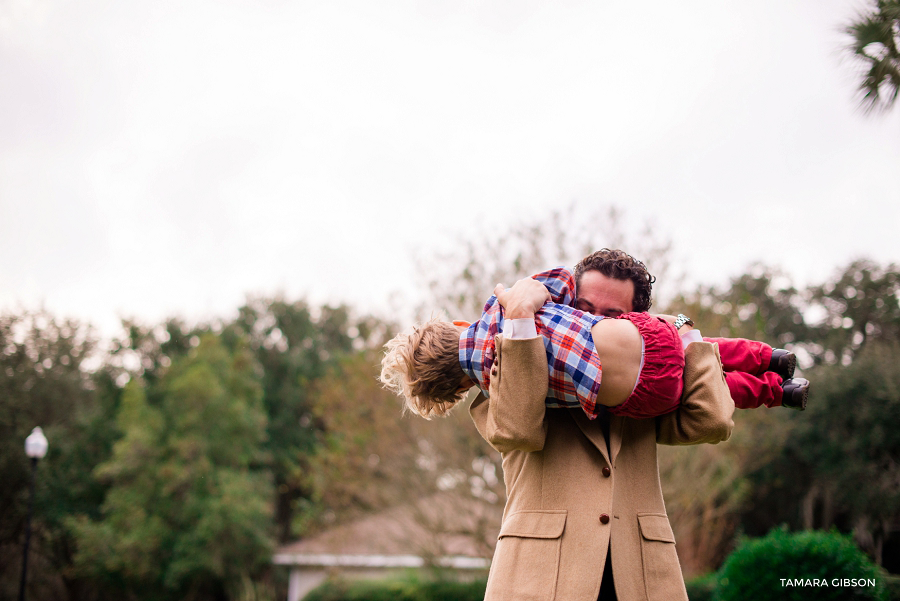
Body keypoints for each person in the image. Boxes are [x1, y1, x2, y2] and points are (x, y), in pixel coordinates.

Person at [461, 248, 735, 601]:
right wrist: (519, 316)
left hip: (641, 580)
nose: (594, 324)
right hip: (538, 581)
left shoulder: (649, 384)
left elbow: (712, 421)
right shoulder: (503, 359)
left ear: (636, 322)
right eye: (585, 310)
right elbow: (517, 430)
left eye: (611, 315)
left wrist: (682, 333)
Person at [380, 266, 808, 423]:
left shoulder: (499, 389)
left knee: (705, 385)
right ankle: (770, 356)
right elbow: (564, 278)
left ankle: (779, 392)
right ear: (457, 323)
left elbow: (539, 409)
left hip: (644, 399)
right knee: (698, 349)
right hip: (650, 339)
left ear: (455, 390)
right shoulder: (503, 305)